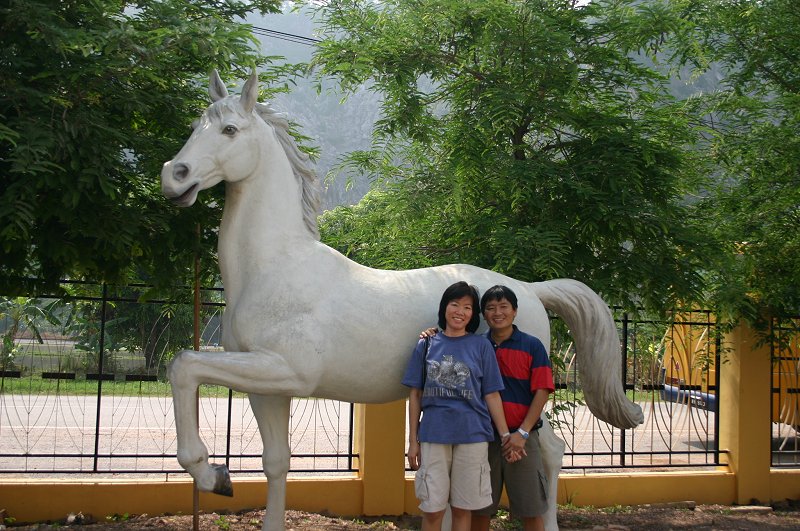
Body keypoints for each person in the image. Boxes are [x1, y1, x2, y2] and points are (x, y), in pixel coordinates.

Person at [421, 284, 555, 531]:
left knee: (531, 508)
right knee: (479, 509)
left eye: (503, 307)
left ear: (515, 311)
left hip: (521, 438)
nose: (497, 313)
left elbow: (543, 391)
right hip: (482, 438)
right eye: (490, 308)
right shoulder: (476, 344)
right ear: (483, 315)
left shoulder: (531, 346)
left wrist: (521, 434)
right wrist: (431, 334)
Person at [402, 281, 513, 531]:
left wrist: (505, 434)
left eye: (467, 307)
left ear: (473, 314)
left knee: (463, 510)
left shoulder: (481, 346)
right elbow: (415, 394)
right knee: (432, 509)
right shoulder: (427, 344)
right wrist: (412, 441)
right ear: (445, 308)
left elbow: (492, 394)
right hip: (434, 434)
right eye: (455, 304)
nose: (460, 311)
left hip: (472, 436)